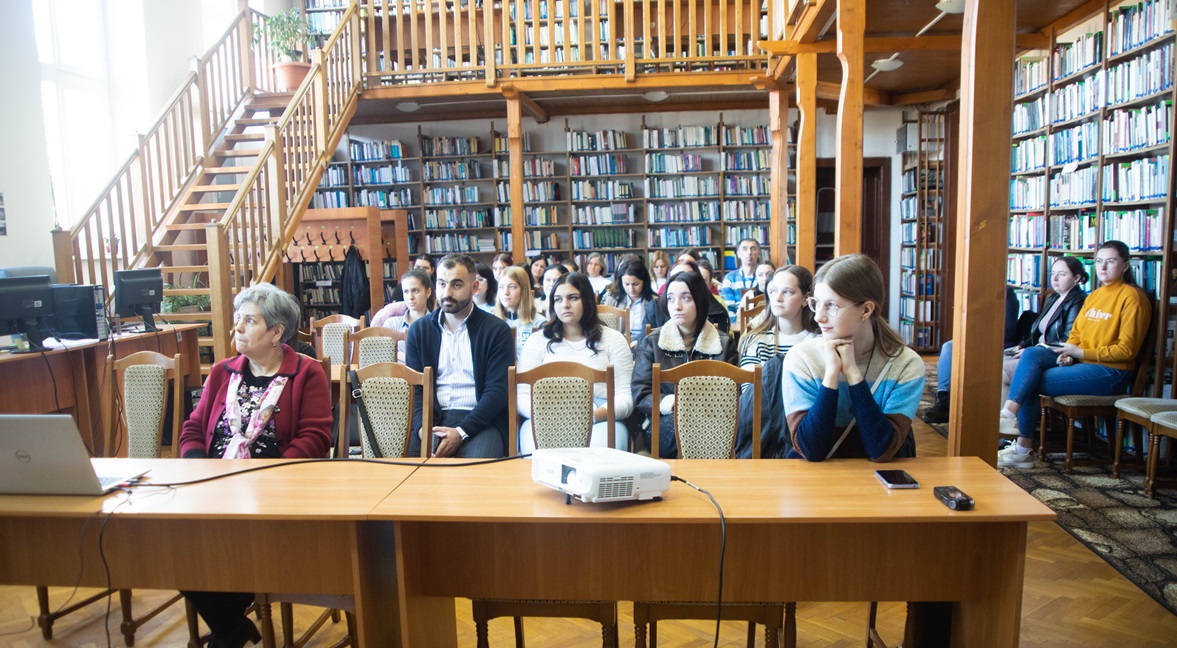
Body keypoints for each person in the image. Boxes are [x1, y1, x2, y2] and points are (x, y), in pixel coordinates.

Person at [179, 283, 333, 648]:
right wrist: (198, 468)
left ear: (277, 332)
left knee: (223, 542)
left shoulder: (306, 373)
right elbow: (193, 429)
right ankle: (232, 628)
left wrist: (263, 479)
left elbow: (315, 439)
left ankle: (227, 630)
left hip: (274, 494)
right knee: (173, 545)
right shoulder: (222, 372)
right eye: (238, 319)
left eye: (249, 321)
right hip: (213, 489)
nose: (238, 328)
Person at [997, 240, 1151, 468]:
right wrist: (1070, 352)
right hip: (1082, 363)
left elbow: (1127, 351)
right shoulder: (1095, 296)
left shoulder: (1132, 298)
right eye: (1099, 261)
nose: (1103, 267)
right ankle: (1010, 420)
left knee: (1029, 379)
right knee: (1031, 355)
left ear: (1125, 266)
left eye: (1110, 261)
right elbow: (1076, 333)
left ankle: (1021, 447)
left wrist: (1080, 351)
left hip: (1112, 372)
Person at [783, 254, 924, 462]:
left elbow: (881, 450)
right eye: (816, 303)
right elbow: (811, 450)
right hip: (812, 478)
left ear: (866, 310)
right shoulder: (801, 359)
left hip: (876, 479)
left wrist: (853, 375)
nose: (818, 316)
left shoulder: (906, 365)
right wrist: (831, 375)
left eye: (831, 305)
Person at [405, 254, 514, 458]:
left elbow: (497, 391)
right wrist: (422, 429)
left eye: (456, 285)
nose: (447, 293)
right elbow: (416, 389)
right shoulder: (418, 331)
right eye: (441, 284)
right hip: (432, 420)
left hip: (480, 421)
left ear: (474, 287)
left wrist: (462, 432)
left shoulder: (496, 330)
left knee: (475, 470)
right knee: (406, 471)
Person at [516, 273, 634, 454]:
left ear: (587, 299)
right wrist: (549, 416)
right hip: (545, 417)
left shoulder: (613, 339)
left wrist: (591, 417)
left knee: (599, 459)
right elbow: (522, 395)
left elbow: (625, 396)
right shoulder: (537, 341)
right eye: (558, 299)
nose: (565, 305)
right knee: (539, 461)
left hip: (599, 417)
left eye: (573, 298)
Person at [633, 270, 738, 458]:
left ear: (700, 301)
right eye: (671, 299)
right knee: (688, 433)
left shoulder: (724, 343)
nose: (677, 306)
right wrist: (671, 402)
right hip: (665, 419)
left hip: (715, 420)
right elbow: (640, 393)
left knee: (721, 433)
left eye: (686, 298)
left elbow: (735, 394)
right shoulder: (653, 342)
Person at [921, 285, 1020, 423]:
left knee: (955, 347)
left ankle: (949, 404)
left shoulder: (1007, 294)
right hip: (976, 339)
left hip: (998, 343)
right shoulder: (975, 291)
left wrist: (979, 331)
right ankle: (944, 398)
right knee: (949, 346)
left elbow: (1008, 331)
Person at [1001, 257, 1088, 395]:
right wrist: (1022, 345)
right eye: (1053, 273)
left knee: (1003, 371)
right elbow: (1038, 332)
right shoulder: (1054, 298)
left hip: (1054, 354)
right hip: (1037, 350)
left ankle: (1008, 409)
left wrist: (1033, 350)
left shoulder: (1078, 301)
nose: (1054, 278)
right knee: (995, 362)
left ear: (1076, 278)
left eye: (1062, 274)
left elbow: (1067, 340)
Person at [738, 265, 819, 369]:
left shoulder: (819, 342)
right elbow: (750, 379)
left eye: (787, 292)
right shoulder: (756, 340)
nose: (778, 298)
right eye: (774, 291)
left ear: (805, 299)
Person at [646, 259, 732, 334]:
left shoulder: (717, 311)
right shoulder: (655, 307)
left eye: (687, 277)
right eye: (676, 277)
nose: (681, 282)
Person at [601, 258, 657, 348]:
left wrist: (639, 342)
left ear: (644, 282)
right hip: (616, 345)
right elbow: (603, 328)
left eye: (635, 284)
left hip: (644, 346)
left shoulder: (654, 302)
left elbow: (658, 332)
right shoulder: (612, 299)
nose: (631, 289)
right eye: (627, 284)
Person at [494, 265, 547, 360]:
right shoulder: (491, 322)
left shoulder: (540, 323)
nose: (506, 292)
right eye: (501, 287)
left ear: (523, 290)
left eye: (512, 287)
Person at [720, 238, 761, 318]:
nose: (749, 252)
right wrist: (737, 324)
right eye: (745, 249)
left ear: (758, 253)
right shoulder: (729, 278)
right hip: (737, 322)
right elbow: (729, 309)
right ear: (738, 254)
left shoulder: (763, 277)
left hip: (761, 321)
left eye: (753, 249)